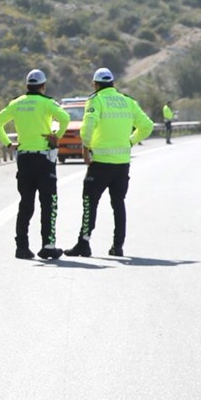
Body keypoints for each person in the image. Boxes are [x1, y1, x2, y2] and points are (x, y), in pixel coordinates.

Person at [66, 68, 154, 258]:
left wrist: (85, 146)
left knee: (90, 203)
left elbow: (88, 124)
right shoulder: (128, 101)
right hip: (122, 164)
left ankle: (84, 244)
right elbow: (147, 126)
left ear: (95, 84)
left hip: (100, 163)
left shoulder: (96, 100)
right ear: (113, 83)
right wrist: (131, 140)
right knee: (118, 204)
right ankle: (118, 246)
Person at [0, 69, 71, 260]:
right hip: (44, 159)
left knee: (26, 204)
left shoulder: (16, 103)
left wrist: (9, 144)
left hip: (24, 159)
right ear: (43, 86)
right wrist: (56, 136)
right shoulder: (47, 103)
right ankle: (48, 246)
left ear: (27, 86)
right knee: (48, 204)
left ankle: (22, 247)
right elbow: (65, 119)